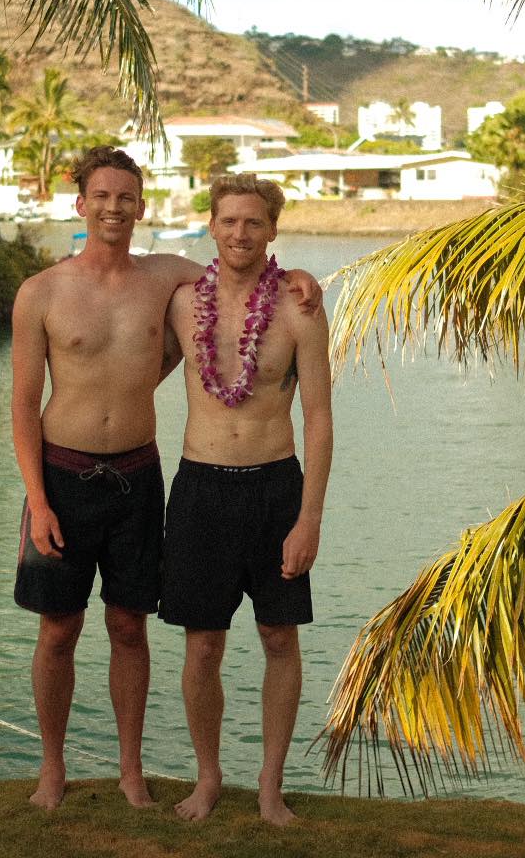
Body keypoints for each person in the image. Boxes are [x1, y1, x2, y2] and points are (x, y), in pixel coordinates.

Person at [9, 147, 319, 811]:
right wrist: (36, 501)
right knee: (57, 632)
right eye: (102, 196)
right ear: (80, 203)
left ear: (142, 207)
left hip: (139, 477)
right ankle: (52, 769)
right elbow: (21, 407)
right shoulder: (42, 292)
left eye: (126, 198)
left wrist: (294, 273)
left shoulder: (168, 279)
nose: (114, 208)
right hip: (62, 477)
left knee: (129, 627)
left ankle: (130, 772)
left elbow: (243, 268)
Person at [160, 173, 332, 826]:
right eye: (229, 221)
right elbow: (128, 275)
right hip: (200, 488)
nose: (240, 233)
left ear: (273, 230)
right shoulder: (180, 302)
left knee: (278, 638)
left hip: (274, 487)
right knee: (202, 647)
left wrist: (309, 517)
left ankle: (269, 785)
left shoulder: (299, 307)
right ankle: (207, 779)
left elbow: (318, 416)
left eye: (253, 222)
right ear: (210, 225)